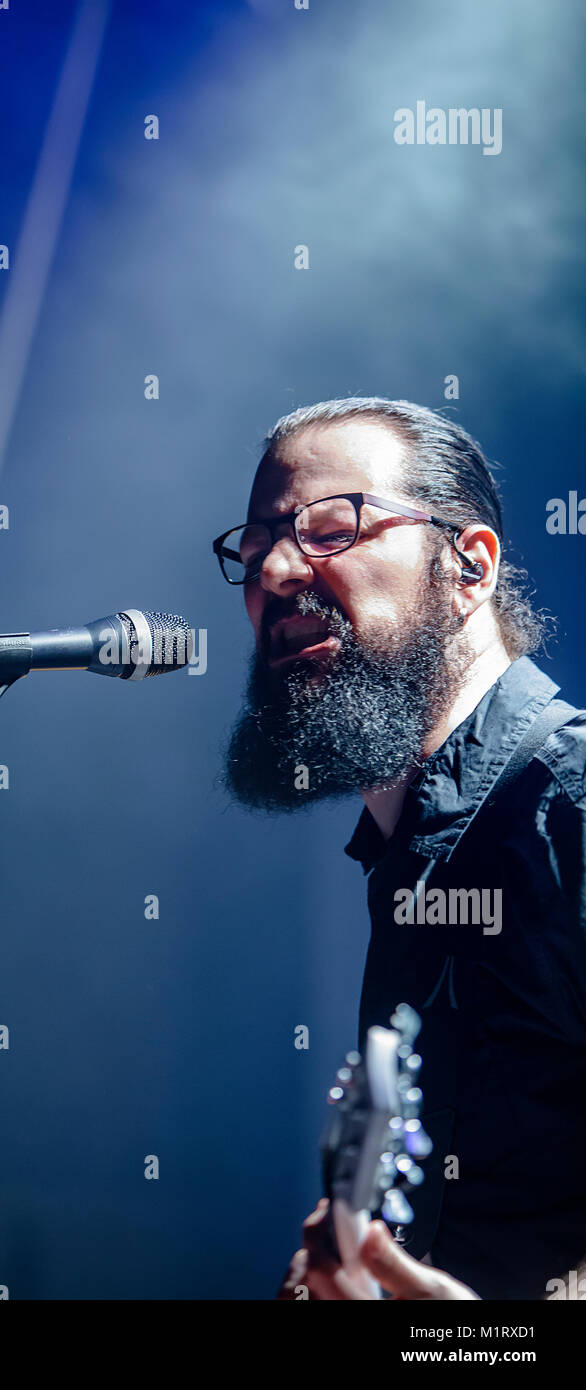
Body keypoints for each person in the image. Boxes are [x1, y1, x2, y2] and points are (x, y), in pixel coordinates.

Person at [214, 398, 586, 1301]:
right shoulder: (411, 845)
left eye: (330, 528)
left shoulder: (567, 798)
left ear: (470, 566)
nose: (275, 567)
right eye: (257, 543)